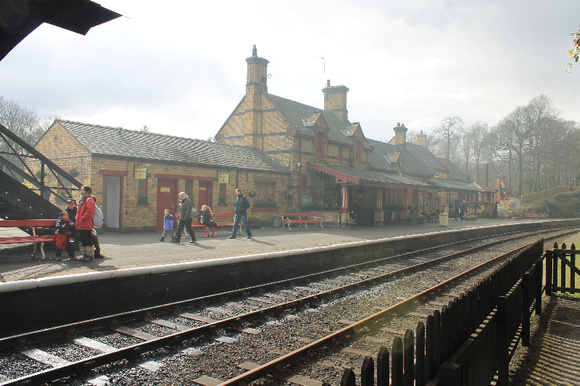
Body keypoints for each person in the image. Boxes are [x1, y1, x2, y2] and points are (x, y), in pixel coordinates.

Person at [76, 185, 96, 261]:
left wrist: (82, 218)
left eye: (82, 190)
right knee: (83, 239)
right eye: (81, 190)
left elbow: (90, 211)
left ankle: (90, 255)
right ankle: (85, 254)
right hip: (81, 223)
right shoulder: (83, 200)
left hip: (86, 223)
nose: (81, 192)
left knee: (88, 239)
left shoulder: (89, 200)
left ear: (87, 191)